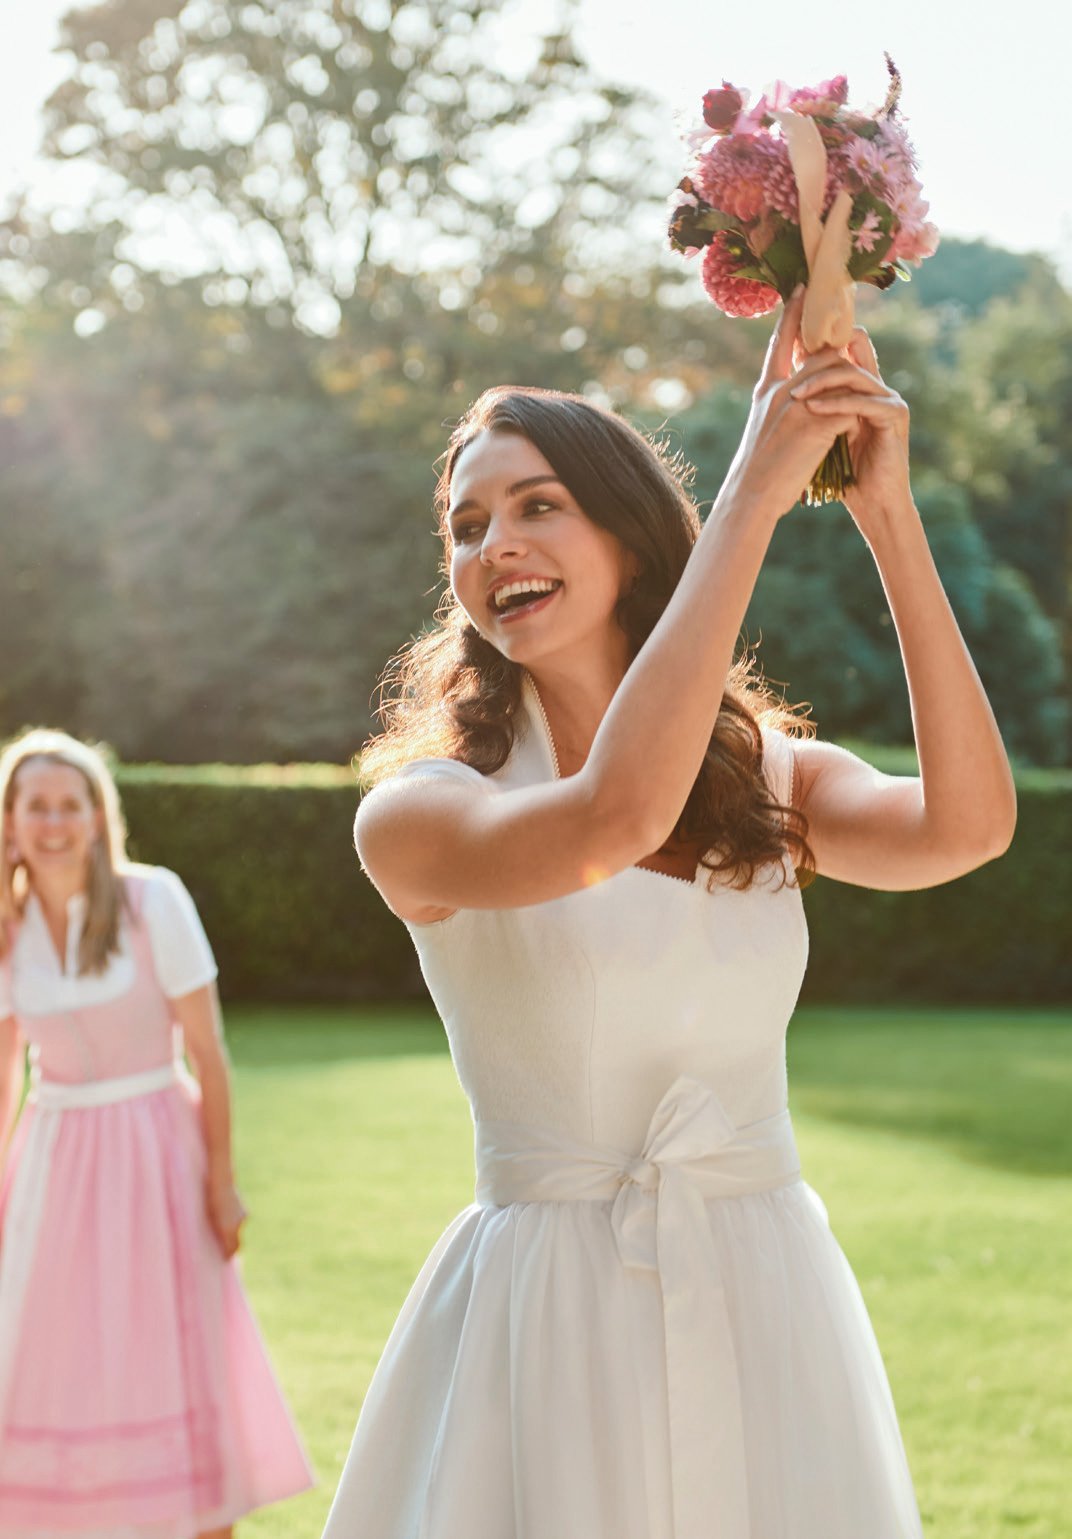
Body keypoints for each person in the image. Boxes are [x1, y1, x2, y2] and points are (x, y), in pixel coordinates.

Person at [324, 287, 1017, 1538]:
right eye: (467, 525)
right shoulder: (423, 812)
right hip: (548, 1319)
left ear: (631, 540)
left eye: (539, 505)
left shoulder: (774, 781)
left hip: (767, 1292)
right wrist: (751, 492)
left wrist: (887, 517)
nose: (496, 547)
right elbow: (610, 820)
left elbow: (964, 829)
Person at [0, 729, 314, 1537]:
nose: (55, 821)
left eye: (72, 804)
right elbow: (5, 1072)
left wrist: (220, 1179)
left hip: (154, 1150)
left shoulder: (153, 899)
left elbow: (208, 1053)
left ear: (99, 818)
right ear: (11, 820)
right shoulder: (6, 927)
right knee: (53, 1359)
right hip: (51, 1161)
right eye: (37, 805)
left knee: (177, 1352)